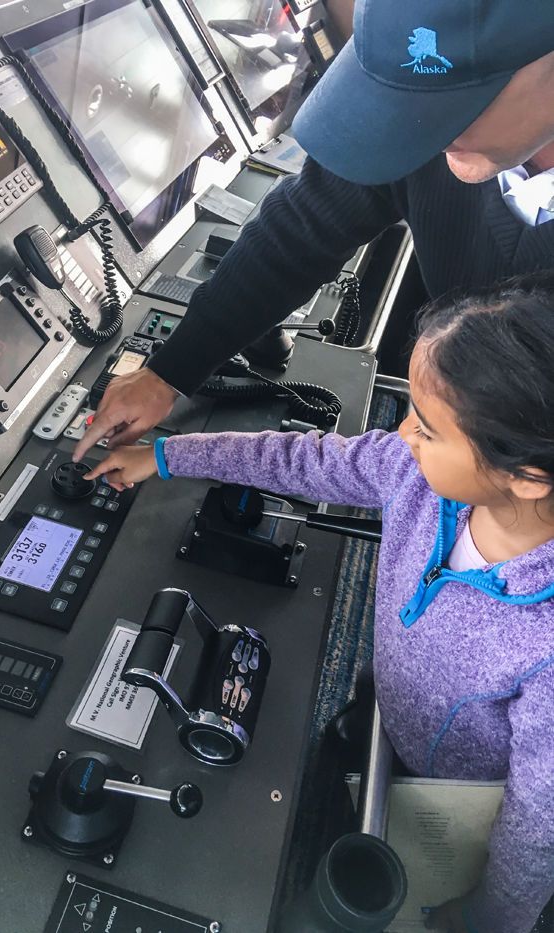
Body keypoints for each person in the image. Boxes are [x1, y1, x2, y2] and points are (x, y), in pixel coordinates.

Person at [82, 281, 554, 933]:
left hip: (458, 793)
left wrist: (487, 919)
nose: (403, 433)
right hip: (385, 704)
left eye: (427, 428)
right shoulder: (412, 469)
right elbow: (301, 461)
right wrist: (164, 455)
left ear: (526, 476)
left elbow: (539, 821)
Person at [72, 0, 554, 462]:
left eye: (452, 104)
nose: (411, 130)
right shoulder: (421, 134)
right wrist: (170, 372)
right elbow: (301, 233)